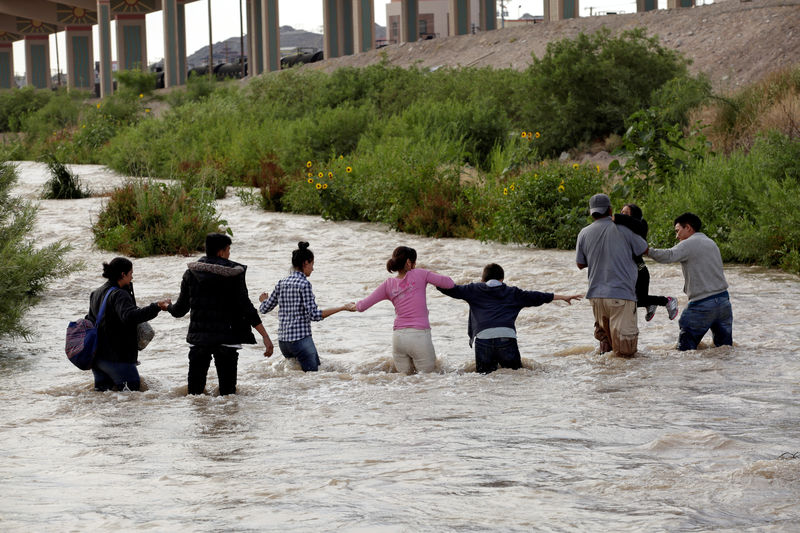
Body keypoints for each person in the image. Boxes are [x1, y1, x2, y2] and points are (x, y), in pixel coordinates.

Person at [167, 233, 274, 395]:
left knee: (194, 395)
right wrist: (265, 336)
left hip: (199, 341)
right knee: (228, 395)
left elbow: (180, 310)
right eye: (228, 250)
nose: (229, 254)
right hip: (227, 341)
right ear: (221, 252)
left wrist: (167, 307)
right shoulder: (234, 275)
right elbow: (247, 308)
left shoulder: (190, 274)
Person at [438, 263, 583, 373]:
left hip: (483, 338)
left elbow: (451, 289)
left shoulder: (474, 289)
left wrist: (429, 278)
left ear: (482, 279)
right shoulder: (513, 293)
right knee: (515, 375)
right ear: (502, 279)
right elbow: (538, 296)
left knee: (484, 379)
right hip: (507, 338)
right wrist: (563, 297)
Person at [356, 246, 454, 374]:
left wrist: (350, 306)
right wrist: (430, 272)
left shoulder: (388, 284)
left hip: (399, 338)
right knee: (429, 382)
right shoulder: (421, 273)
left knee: (403, 383)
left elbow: (362, 306)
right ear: (409, 262)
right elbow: (449, 283)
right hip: (419, 336)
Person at [258, 242, 356, 372]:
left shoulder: (281, 283)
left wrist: (263, 300)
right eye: (312, 264)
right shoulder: (304, 284)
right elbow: (314, 315)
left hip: (283, 343)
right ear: (305, 263)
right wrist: (342, 307)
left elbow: (264, 309)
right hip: (300, 341)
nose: (313, 269)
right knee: (313, 377)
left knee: (297, 379)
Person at [645, 212, 733, 350]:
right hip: (723, 302)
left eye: (678, 230)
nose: (677, 236)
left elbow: (668, 256)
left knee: (685, 350)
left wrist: (646, 251)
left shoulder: (688, 244)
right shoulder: (711, 242)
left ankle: (688, 373)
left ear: (688, 228)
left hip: (702, 304)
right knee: (724, 348)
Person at [576, 193, 648, 357]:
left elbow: (580, 264)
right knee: (625, 355)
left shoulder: (584, 233)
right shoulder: (624, 230)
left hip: (596, 298)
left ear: (591, 212)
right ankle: (625, 383)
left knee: (605, 347)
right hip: (621, 296)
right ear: (610, 210)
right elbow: (643, 249)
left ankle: (606, 382)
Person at [88, 257, 170, 392]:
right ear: (123, 274)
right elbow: (131, 316)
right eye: (131, 273)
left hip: (98, 359)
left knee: (104, 400)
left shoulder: (96, 293)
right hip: (118, 358)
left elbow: (90, 320)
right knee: (131, 399)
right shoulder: (120, 294)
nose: (132, 277)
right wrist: (157, 306)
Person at [613, 203, 678, 321]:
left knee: (633, 301)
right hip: (631, 271)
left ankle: (667, 300)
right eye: (621, 212)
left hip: (640, 271)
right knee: (624, 301)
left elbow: (635, 223)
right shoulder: (621, 229)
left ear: (634, 215)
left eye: (626, 213)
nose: (622, 215)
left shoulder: (640, 226)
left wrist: (616, 217)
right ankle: (651, 303)